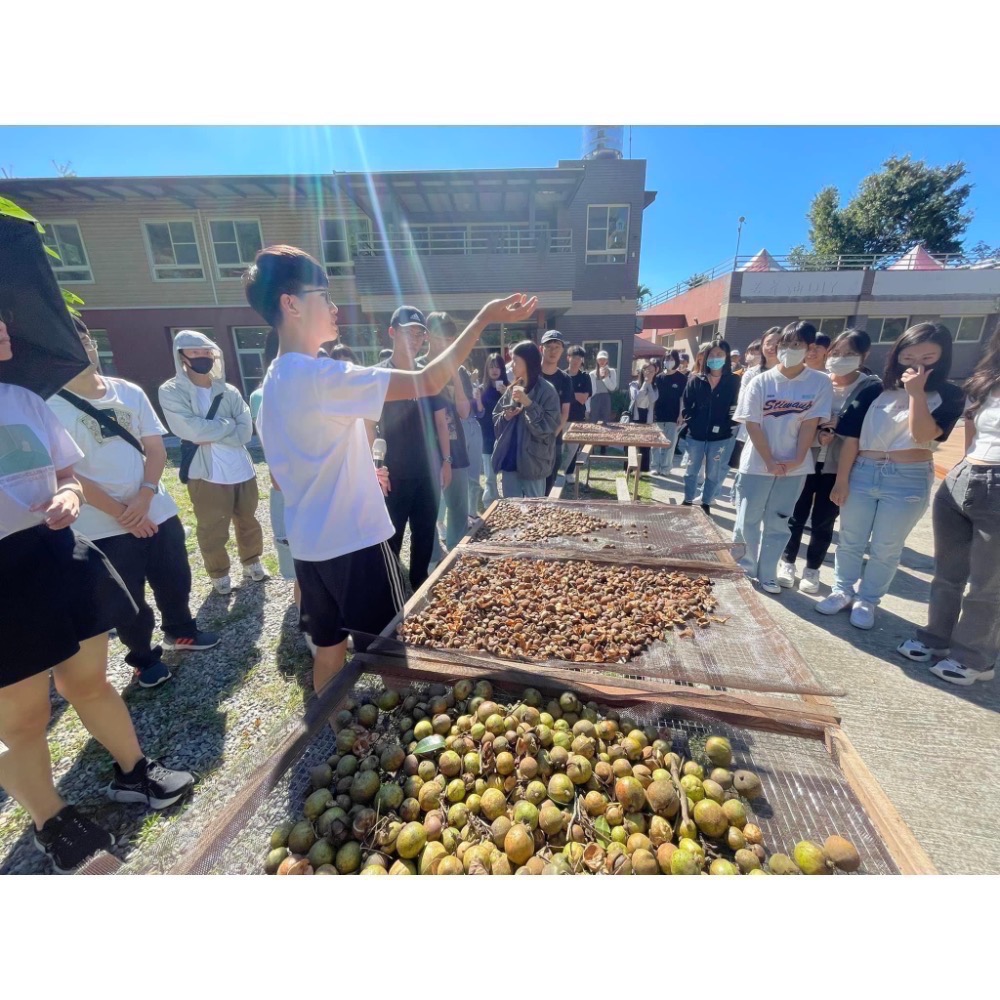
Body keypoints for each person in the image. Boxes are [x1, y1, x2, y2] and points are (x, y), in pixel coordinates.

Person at [246, 246, 537, 695]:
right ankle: (403, 750)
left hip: (308, 544)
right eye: (324, 295)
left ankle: (337, 736)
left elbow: (285, 476)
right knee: (393, 654)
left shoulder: (271, 384)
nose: (335, 307)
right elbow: (430, 381)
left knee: (329, 651)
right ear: (291, 303)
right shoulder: (323, 376)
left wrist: (358, 470)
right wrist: (483, 317)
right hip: (355, 542)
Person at [0, 319, 194, 874]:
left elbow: (67, 473)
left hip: (56, 553)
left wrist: (67, 493)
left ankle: (134, 771)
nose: (7, 326)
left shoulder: (23, 398)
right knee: (23, 716)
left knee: (88, 680)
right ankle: (50, 817)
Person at [50, 320, 219, 689]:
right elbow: (67, 473)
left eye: (84, 339)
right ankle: (143, 657)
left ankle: (181, 630)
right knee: (127, 596)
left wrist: (143, 498)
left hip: (154, 506)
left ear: (93, 343)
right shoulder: (49, 405)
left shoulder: (127, 391)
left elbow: (155, 449)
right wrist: (122, 513)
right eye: (70, 342)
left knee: (174, 575)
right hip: (102, 522)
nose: (81, 349)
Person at [819, 323, 964, 629]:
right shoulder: (875, 389)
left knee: (887, 545)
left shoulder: (950, 395)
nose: (917, 364)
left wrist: (916, 395)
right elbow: (852, 439)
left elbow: (924, 434)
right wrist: (842, 479)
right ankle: (841, 590)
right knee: (850, 539)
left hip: (907, 476)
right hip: (864, 470)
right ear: (897, 354)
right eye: (909, 356)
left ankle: (868, 599)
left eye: (928, 356)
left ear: (943, 357)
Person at [897, 324, 1000, 686]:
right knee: (947, 573)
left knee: (988, 584)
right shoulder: (986, 382)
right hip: (964, 478)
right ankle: (937, 638)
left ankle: (975, 657)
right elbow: (970, 432)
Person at [158, 330, 266, 596]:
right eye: (196, 352)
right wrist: (226, 425)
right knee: (212, 526)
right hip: (207, 473)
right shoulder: (171, 391)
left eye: (207, 352)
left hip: (241, 468)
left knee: (249, 520)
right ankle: (219, 573)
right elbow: (190, 431)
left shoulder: (228, 390)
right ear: (182, 356)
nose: (203, 357)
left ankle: (252, 561)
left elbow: (245, 431)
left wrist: (214, 429)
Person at [777, 330, 881, 594]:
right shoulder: (818, 382)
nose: (840, 359)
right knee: (796, 513)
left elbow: (866, 430)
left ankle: (812, 568)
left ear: (864, 356)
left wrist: (841, 427)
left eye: (849, 354)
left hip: (839, 465)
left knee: (824, 519)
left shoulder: (870, 388)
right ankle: (787, 560)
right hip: (807, 458)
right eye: (836, 353)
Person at [733, 322, 833, 593]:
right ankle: (745, 567)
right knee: (747, 519)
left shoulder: (820, 382)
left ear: (810, 348)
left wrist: (796, 459)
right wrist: (769, 460)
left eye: (796, 345)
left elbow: (810, 424)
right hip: (757, 463)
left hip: (795, 467)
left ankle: (768, 573)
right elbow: (752, 423)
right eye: (785, 345)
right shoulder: (761, 381)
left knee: (779, 521)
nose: (789, 350)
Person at [373, 307, 446, 592]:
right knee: (391, 536)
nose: (414, 339)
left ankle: (418, 584)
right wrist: (374, 465)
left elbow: (441, 419)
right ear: (392, 332)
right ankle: (388, 591)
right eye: (408, 332)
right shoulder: (380, 374)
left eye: (419, 334)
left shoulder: (428, 374)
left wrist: (447, 460)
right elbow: (367, 425)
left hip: (427, 470)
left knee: (425, 533)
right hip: (394, 473)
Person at [424, 311, 472, 553]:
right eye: (440, 336)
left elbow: (464, 412)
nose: (446, 342)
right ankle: (433, 557)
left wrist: (454, 373)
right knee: (428, 509)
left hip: (456, 448)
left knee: (458, 507)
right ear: (428, 336)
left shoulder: (459, 370)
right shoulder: (418, 368)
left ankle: (455, 553)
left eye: (450, 337)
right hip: (425, 449)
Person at [680, 341, 741, 514]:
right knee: (691, 469)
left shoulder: (733, 380)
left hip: (720, 437)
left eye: (720, 354)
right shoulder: (695, 380)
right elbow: (687, 406)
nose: (716, 358)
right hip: (696, 435)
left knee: (713, 472)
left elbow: (735, 406)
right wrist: (692, 422)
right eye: (712, 354)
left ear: (726, 357)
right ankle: (687, 499)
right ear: (706, 357)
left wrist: (728, 425)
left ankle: (706, 502)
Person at [494, 340, 560, 498]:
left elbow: (547, 428)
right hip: (510, 461)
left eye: (515, 360)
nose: (511, 365)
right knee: (512, 512)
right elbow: (496, 419)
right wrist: (506, 416)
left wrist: (528, 403)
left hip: (534, 463)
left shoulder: (547, 391)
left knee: (535, 511)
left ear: (528, 362)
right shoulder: (512, 388)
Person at [539, 331, 573, 494]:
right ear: (541, 349)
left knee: (547, 484)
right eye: (549, 347)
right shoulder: (531, 375)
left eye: (557, 347)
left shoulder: (565, 379)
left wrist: (551, 436)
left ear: (562, 351)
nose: (552, 351)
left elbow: (564, 412)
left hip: (553, 440)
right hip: (529, 439)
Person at [478, 353, 507, 507]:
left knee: (507, 474)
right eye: (491, 366)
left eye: (497, 366)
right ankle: (490, 502)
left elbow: (515, 411)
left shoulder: (510, 387)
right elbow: (480, 415)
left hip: (506, 436)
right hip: (487, 436)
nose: (495, 370)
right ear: (487, 369)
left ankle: (507, 502)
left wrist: (506, 395)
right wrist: (477, 398)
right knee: (490, 476)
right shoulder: (482, 388)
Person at [651, 349, 686, 475]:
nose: (668, 361)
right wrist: (651, 415)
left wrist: (681, 415)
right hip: (658, 415)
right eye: (666, 359)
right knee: (655, 443)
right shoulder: (659, 377)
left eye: (671, 359)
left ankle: (666, 468)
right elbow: (654, 397)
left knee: (670, 444)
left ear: (676, 361)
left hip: (674, 416)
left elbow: (682, 398)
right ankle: (655, 466)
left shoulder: (681, 378)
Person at [562, 345, 592, 483]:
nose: (576, 360)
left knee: (573, 449)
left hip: (577, 419)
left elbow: (583, 398)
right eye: (574, 357)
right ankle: (556, 473)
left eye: (579, 358)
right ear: (568, 358)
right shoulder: (561, 375)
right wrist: (575, 395)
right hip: (561, 418)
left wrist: (567, 395)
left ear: (582, 360)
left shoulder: (585, 377)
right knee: (558, 448)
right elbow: (557, 397)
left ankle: (569, 473)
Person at [628, 362, 659, 472]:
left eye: (652, 371)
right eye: (647, 370)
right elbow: (637, 398)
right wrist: (645, 384)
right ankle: (629, 468)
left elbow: (653, 399)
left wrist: (649, 385)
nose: (650, 373)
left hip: (647, 415)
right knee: (632, 443)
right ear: (642, 371)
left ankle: (643, 469)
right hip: (636, 415)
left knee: (645, 444)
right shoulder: (634, 384)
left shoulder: (655, 387)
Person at [588, 349, 617, 424]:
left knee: (606, 421)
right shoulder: (592, 374)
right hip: (595, 398)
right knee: (593, 421)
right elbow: (591, 390)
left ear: (607, 360)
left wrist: (606, 377)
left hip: (606, 397)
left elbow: (612, 388)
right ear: (597, 361)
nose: (602, 361)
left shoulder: (612, 371)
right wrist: (588, 406)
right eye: (600, 359)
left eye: (604, 359)